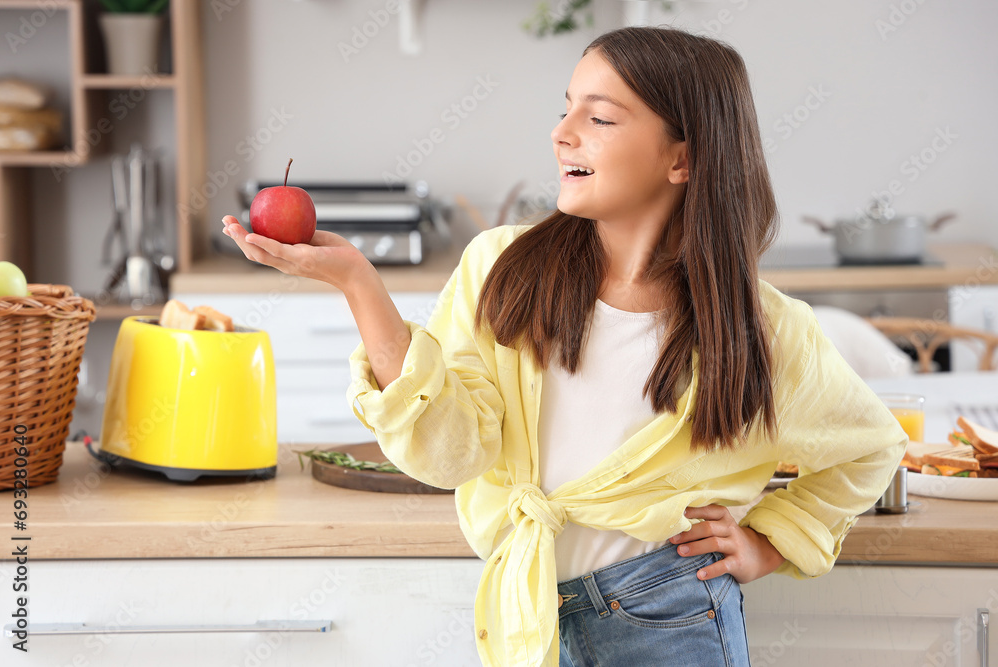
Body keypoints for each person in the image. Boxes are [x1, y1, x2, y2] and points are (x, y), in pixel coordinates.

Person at [222, 25, 907, 667]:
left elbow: (870, 445)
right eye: (566, 109)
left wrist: (768, 543)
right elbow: (449, 449)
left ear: (682, 158)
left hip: (676, 617)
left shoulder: (764, 326)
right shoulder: (503, 270)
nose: (561, 133)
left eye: (599, 118)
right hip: (533, 613)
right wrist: (359, 286)